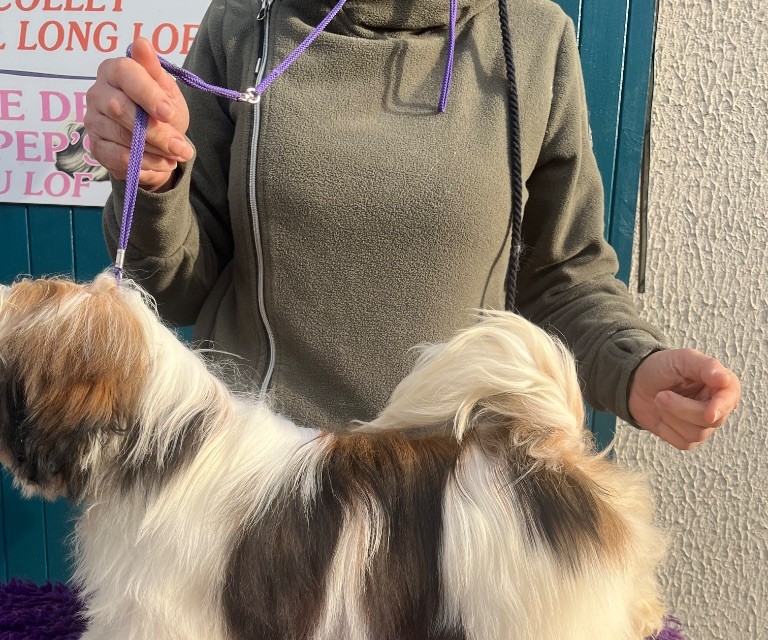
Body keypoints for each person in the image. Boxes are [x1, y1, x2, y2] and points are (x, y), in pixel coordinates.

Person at [85, 0, 740, 449]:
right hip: (264, 493)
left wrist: (633, 367)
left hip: (451, 503)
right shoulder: (241, 22)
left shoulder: (535, 38)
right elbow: (171, 291)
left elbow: (562, 281)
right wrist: (152, 180)